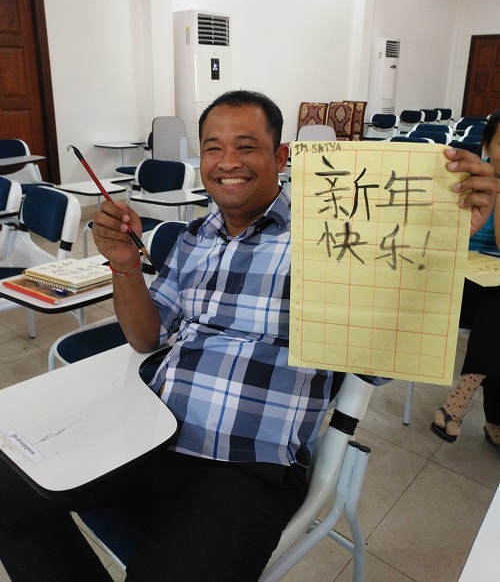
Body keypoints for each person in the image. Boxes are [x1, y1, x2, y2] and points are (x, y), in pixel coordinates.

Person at [0, 91, 497, 582]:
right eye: (213, 148)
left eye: (246, 146)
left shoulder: (329, 237)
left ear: (280, 157)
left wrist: (441, 244)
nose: (227, 162)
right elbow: (147, 338)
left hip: (242, 464)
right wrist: (125, 265)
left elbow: (383, 360)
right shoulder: (195, 237)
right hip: (147, 431)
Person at [432, 110, 500, 451]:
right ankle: (495, 420)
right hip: (455, 277)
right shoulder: (463, 180)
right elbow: (439, 236)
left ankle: (463, 392)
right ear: (487, 145)